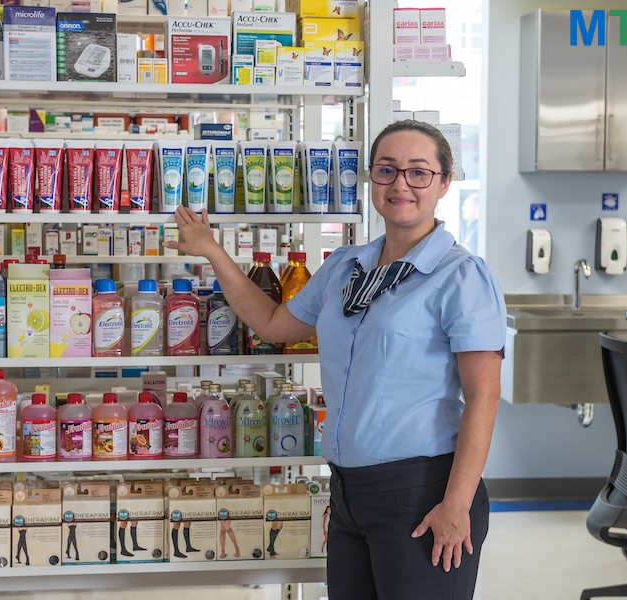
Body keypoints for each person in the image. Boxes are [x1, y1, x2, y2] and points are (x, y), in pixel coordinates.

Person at [167, 119, 506, 599]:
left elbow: (484, 396)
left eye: (419, 172)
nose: (400, 184)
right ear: (370, 179)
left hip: (423, 490)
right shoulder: (348, 266)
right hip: (349, 492)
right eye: (386, 170)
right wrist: (213, 252)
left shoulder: (460, 276)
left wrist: (457, 503)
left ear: (445, 182)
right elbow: (272, 324)